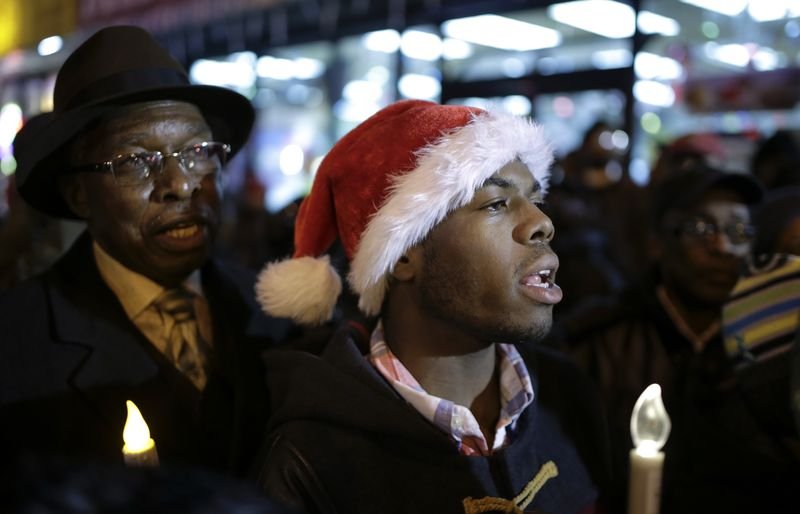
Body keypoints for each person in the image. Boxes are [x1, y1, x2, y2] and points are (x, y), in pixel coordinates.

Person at [252, 100, 611, 514]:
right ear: (403, 255)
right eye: (496, 203)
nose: (542, 224)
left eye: (536, 201)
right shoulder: (311, 458)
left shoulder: (569, 397)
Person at [0, 26, 293, 477]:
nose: (180, 186)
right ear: (79, 194)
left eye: (197, 152)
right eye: (136, 162)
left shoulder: (277, 313)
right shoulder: (17, 343)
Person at [561, 163, 800, 513]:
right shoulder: (596, 340)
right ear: (657, 243)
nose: (723, 247)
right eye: (701, 228)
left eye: (739, 231)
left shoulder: (772, 344)